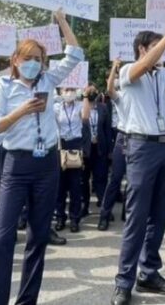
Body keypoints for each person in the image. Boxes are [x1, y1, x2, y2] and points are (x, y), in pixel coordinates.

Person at [0, 10, 82, 305]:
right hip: (16, 164)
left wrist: (62, 21)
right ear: (15, 61)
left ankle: (27, 300)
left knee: (39, 236)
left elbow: (75, 53)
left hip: (47, 165)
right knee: (3, 237)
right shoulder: (4, 87)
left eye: (38, 59)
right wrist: (21, 111)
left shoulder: (48, 81)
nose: (32, 64)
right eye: (27, 58)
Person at [110, 15, 165, 305]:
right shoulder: (130, 72)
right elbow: (144, 66)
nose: (163, 49)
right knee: (137, 217)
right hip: (141, 148)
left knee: (159, 215)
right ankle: (124, 281)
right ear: (143, 49)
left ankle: (150, 272)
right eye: (156, 45)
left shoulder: (162, 75)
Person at [54, 86, 89, 233]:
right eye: (66, 90)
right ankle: (60, 217)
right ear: (61, 92)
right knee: (60, 186)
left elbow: (85, 117)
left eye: (72, 89)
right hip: (60, 145)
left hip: (75, 144)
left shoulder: (80, 105)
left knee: (75, 186)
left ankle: (74, 219)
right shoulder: (56, 107)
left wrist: (86, 96)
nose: (69, 92)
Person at [98, 60, 127, 231]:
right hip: (120, 138)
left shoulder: (135, 93)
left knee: (132, 180)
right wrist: (115, 67)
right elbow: (110, 89)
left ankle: (127, 212)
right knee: (115, 178)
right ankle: (104, 215)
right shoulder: (112, 98)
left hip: (137, 138)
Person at [81, 84, 111, 218]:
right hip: (85, 149)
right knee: (83, 179)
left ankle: (104, 207)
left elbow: (107, 129)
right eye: (89, 92)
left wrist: (109, 149)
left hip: (100, 149)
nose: (92, 94)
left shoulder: (103, 108)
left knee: (101, 178)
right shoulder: (81, 108)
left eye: (94, 91)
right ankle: (84, 206)